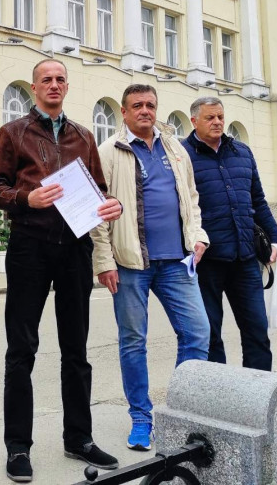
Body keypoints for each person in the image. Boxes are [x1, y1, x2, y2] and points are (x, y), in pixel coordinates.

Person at [0, 58, 123, 482]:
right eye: (47, 79)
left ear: (68, 85)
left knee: (76, 351)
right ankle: (18, 447)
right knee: (21, 350)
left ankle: (78, 437)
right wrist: (27, 199)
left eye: (61, 79)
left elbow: (98, 190)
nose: (54, 85)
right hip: (30, 247)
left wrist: (109, 206)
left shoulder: (83, 135)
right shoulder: (14, 133)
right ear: (34, 87)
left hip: (75, 248)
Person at [91, 84, 210, 452]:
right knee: (133, 342)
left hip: (177, 261)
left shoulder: (176, 149)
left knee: (197, 334)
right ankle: (141, 419)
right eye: (137, 105)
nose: (145, 110)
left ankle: (179, 413)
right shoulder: (109, 151)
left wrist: (198, 236)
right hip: (130, 264)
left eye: (151, 105)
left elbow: (191, 198)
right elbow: (98, 212)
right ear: (123, 112)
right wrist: (104, 261)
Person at [182, 97, 277, 371]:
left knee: (257, 331)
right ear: (194, 121)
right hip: (206, 262)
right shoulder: (181, 155)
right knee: (210, 334)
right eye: (209, 118)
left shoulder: (242, 152)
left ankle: (258, 394)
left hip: (245, 258)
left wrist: (274, 238)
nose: (217, 122)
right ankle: (220, 398)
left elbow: (258, 200)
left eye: (220, 117)